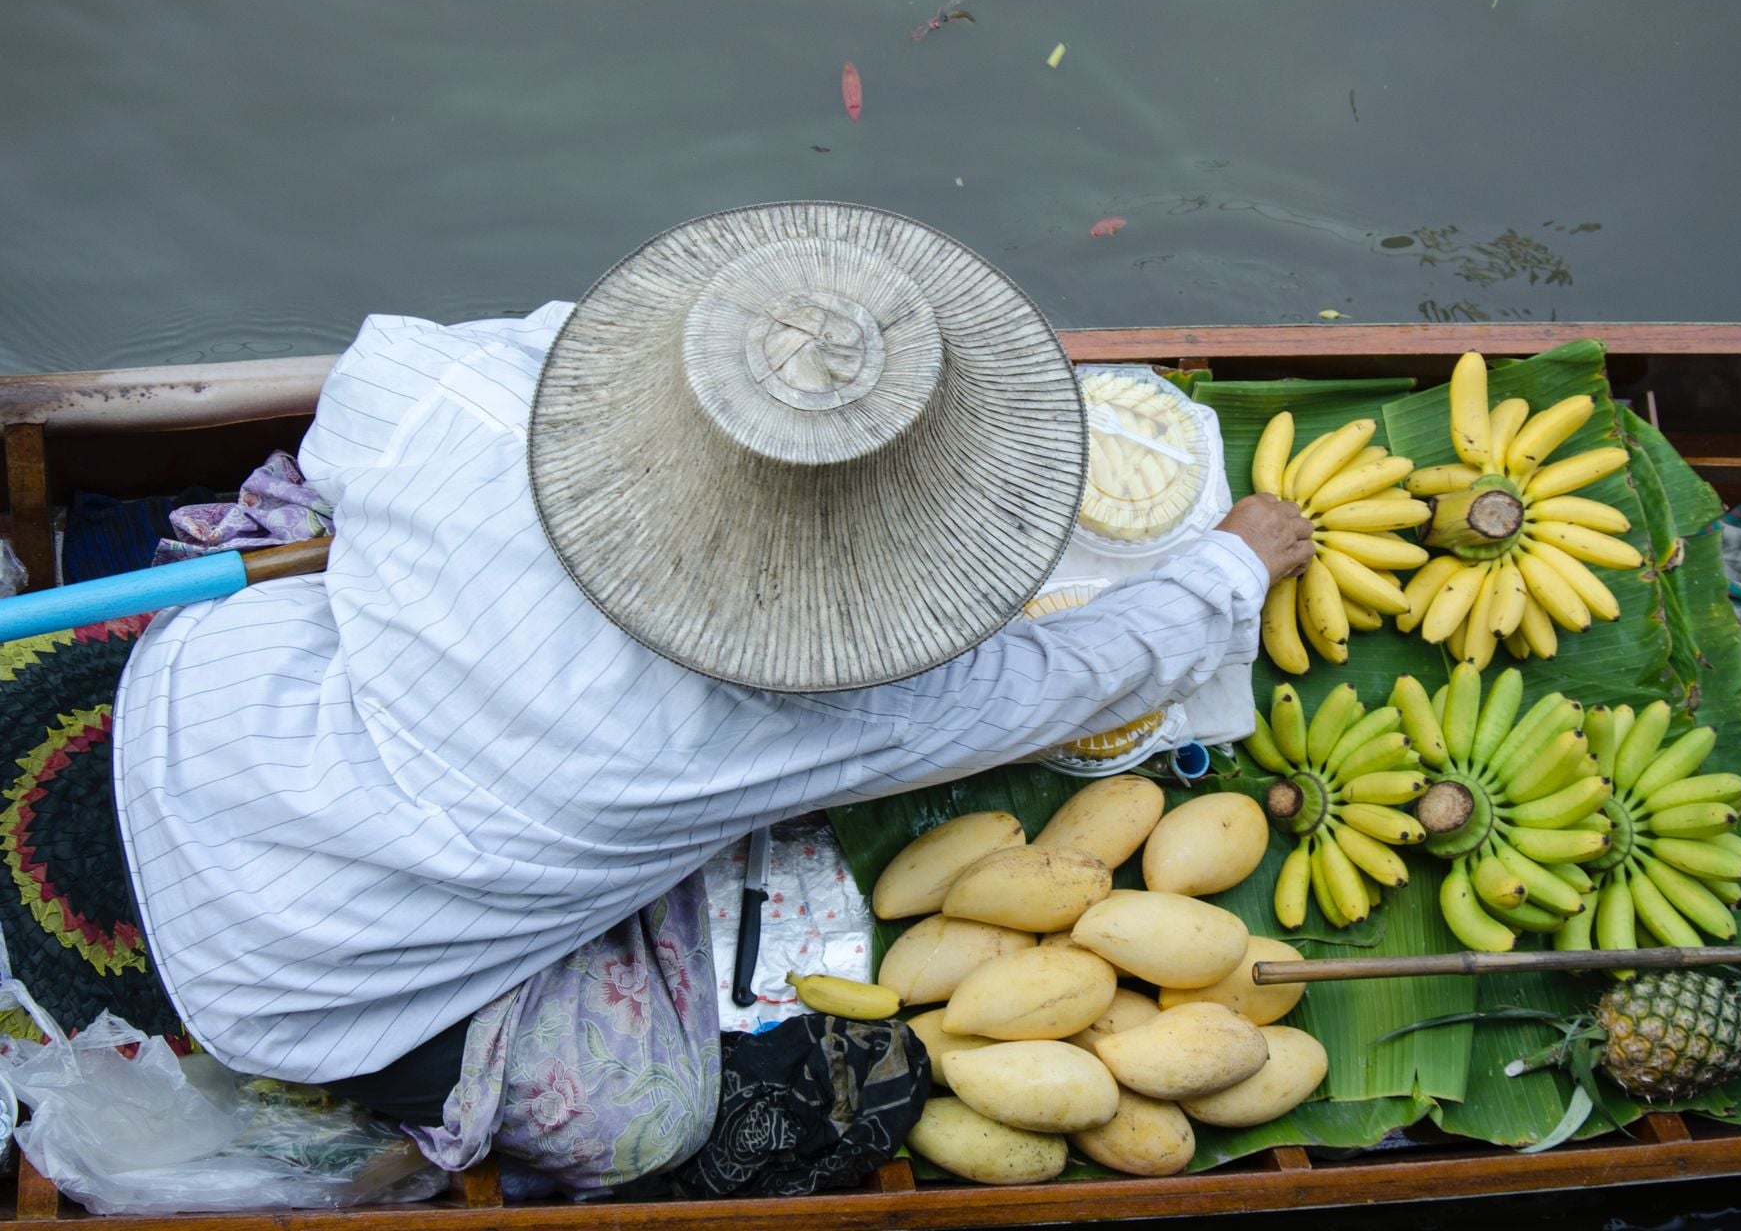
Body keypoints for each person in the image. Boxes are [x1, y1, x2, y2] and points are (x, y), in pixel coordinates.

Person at [107, 203, 1314, 1191]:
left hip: (198, 697)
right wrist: (1231, 568)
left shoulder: (455, 390)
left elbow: (380, 403)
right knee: (649, 1120)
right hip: (284, 966)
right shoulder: (793, 717)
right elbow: (1050, 682)